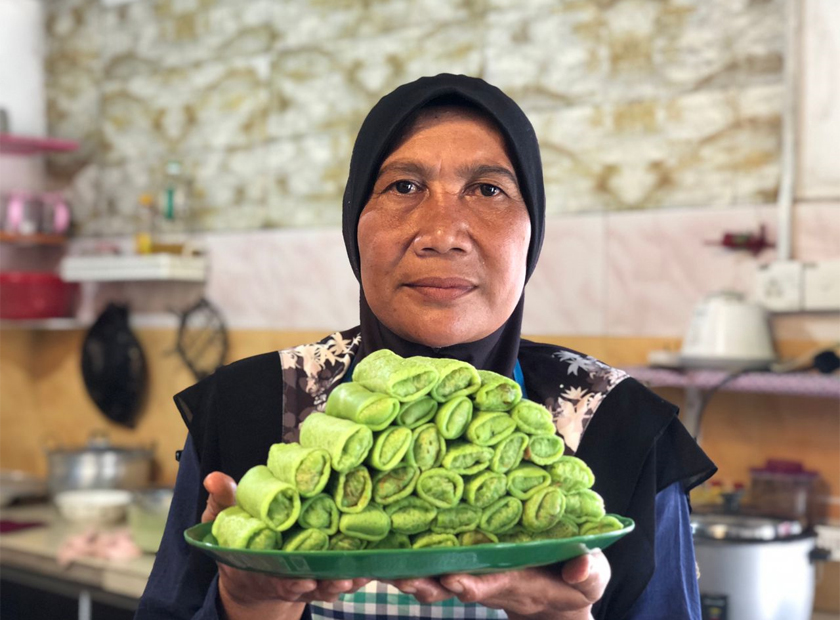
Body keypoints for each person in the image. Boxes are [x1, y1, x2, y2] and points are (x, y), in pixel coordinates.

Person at [135, 74, 716, 620]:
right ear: (353, 225)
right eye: (404, 186)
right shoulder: (247, 409)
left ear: (532, 230)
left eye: (488, 189)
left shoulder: (621, 426)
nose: (442, 235)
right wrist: (251, 607)